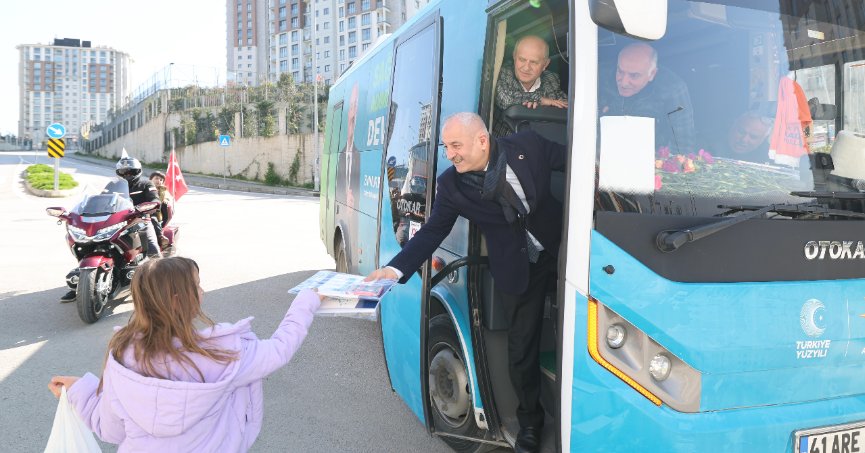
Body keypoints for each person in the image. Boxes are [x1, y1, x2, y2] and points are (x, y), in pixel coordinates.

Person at [365, 112, 565, 453]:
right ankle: (531, 424)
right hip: (518, 270)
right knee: (522, 350)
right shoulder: (452, 185)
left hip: (563, 251)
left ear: (482, 141)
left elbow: (578, 163)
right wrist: (396, 269)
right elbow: (432, 231)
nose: (451, 153)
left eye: (456, 145)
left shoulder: (528, 146)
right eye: (447, 147)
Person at [48, 256, 322, 451]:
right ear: (180, 300)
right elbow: (280, 348)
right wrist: (307, 300)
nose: (202, 292)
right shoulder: (223, 355)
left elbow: (112, 429)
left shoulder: (123, 356)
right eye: (197, 286)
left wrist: (80, 390)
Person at [59, 156, 162, 302]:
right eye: (123, 172)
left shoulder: (146, 184)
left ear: (137, 171)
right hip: (120, 219)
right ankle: (79, 286)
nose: (127, 175)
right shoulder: (112, 185)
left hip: (140, 218)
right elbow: (100, 200)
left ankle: (160, 284)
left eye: (131, 172)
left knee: (152, 247)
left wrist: (148, 207)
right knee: (90, 243)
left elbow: (154, 199)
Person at [599, 42, 696, 154]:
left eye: (634, 75)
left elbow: (683, 144)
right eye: (620, 71)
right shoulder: (597, 75)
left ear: (652, 74)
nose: (624, 83)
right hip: (598, 160)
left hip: (651, 162)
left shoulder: (673, 89)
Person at [493, 35, 568, 136]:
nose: (526, 67)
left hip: (538, 144)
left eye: (533, 62)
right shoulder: (504, 73)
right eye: (522, 60)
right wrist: (541, 100)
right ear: (514, 57)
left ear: (545, 64)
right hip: (504, 145)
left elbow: (565, 106)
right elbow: (505, 99)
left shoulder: (551, 79)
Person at [149, 170, 175, 248]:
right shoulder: (145, 187)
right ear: (151, 179)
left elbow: (166, 197)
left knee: (153, 218)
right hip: (142, 210)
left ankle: (160, 236)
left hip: (156, 213)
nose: (158, 181)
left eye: (161, 180)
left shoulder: (162, 190)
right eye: (156, 178)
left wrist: (166, 200)